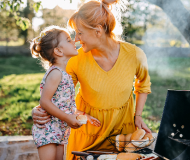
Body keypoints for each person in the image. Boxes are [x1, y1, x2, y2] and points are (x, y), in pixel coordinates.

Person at [31, 0, 152, 159]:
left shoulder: (134, 54)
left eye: (79, 33)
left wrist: (138, 116)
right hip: (86, 137)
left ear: (98, 30)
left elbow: (143, 84)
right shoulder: (75, 60)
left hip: (122, 135)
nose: (76, 39)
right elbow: (59, 96)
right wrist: (38, 110)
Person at [30, 26, 84, 160]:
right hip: (48, 129)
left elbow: (63, 103)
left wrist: (80, 116)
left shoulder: (64, 74)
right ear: (59, 51)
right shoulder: (56, 73)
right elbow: (44, 101)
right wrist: (67, 118)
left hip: (60, 129)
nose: (73, 41)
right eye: (68, 40)